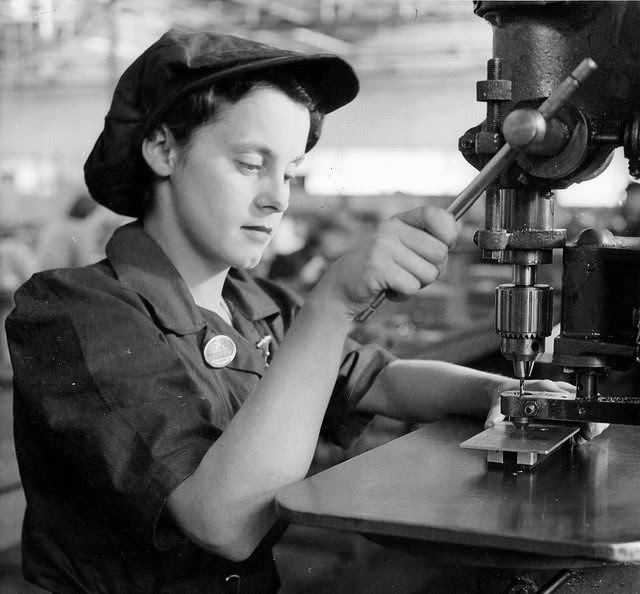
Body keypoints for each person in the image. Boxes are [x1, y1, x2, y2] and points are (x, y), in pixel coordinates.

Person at [5, 28, 601, 594]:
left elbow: (380, 380)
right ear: (163, 148)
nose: (277, 197)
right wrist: (333, 306)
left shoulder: (250, 302)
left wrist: (500, 393)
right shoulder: (72, 309)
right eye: (249, 164)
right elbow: (226, 524)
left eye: (289, 171)